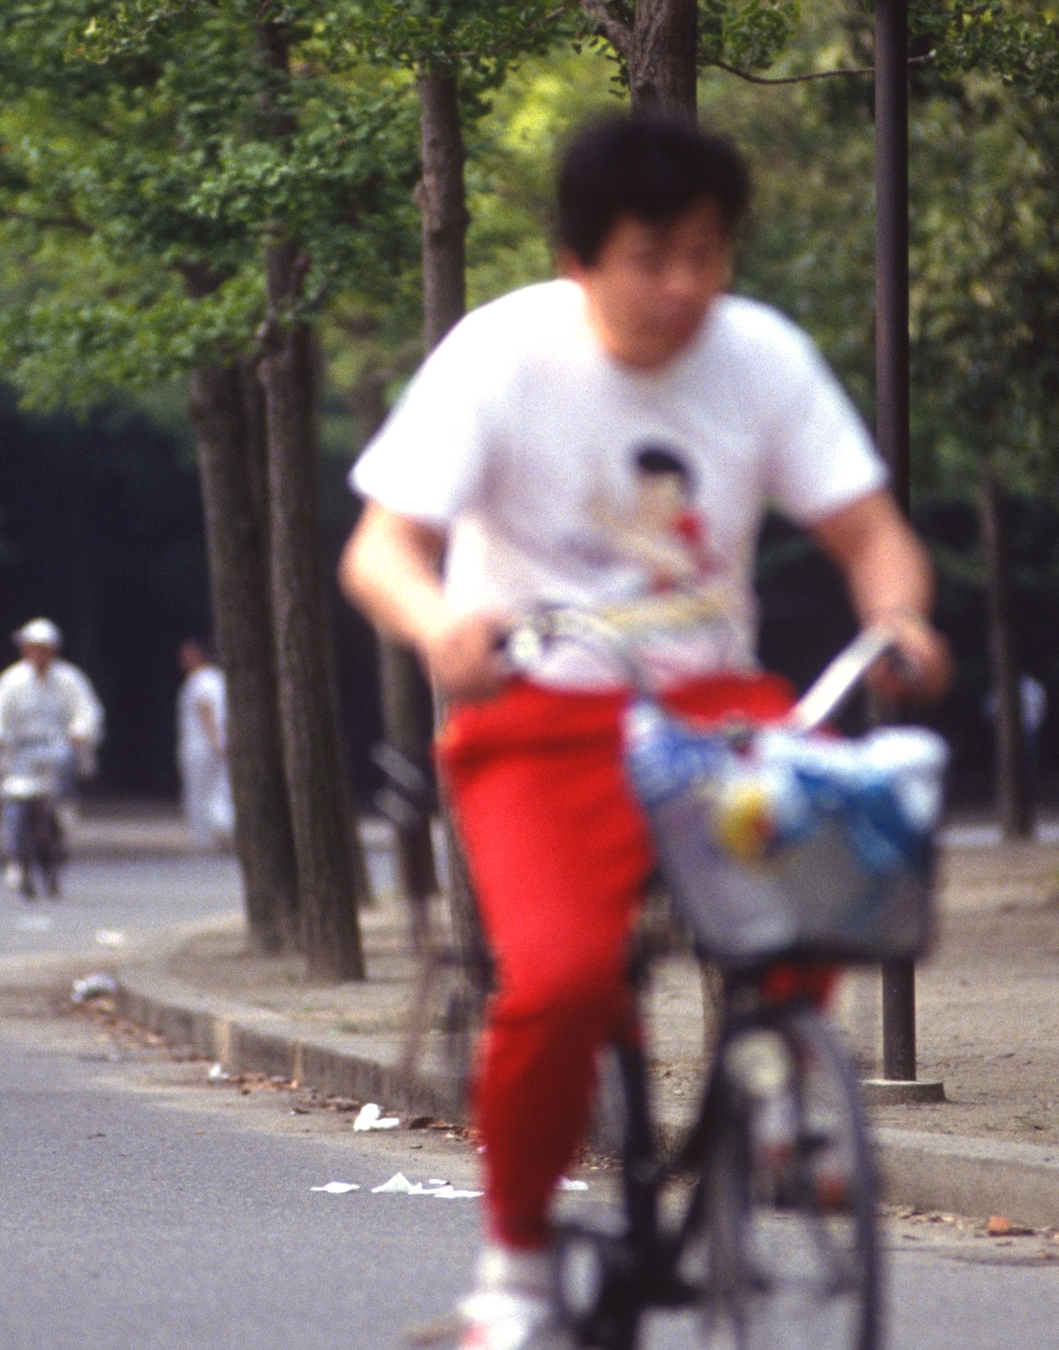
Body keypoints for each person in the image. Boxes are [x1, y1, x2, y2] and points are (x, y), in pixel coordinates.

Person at [338, 115, 951, 1350]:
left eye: (710, 254)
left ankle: (775, 1076)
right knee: (559, 983)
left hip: (707, 715)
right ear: (577, 257)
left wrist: (897, 619)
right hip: (536, 721)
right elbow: (380, 548)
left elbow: (868, 530)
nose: (686, 288)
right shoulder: (498, 356)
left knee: (831, 838)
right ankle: (512, 1274)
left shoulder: (760, 356)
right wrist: (437, 624)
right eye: (653, 256)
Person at [0, 618, 104, 898]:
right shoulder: (12, 680)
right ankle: (16, 857)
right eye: (31, 648)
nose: (36, 654)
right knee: (11, 801)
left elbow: (87, 710)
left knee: (62, 793)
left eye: (42, 648)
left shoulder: (69, 679)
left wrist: (79, 732)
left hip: (55, 751)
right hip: (19, 753)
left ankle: (63, 824)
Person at [175, 637, 234, 851]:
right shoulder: (218, 678)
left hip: (201, 747)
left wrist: (215, 741)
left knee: (202, 794)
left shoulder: (200, 680)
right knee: (220, 791)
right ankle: (220, 832)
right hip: (218, 744)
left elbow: (205, 710)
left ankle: (209, 838)